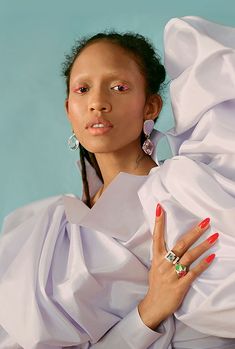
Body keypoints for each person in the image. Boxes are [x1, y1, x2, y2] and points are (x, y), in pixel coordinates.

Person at [0, 15, 235, 349]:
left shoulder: (184, 193)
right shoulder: (44, 226)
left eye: (119, 87)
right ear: (69, 109)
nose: (97, 102)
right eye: (83, 89)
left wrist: (152, 313)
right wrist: (149, 311)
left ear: (151, 106)